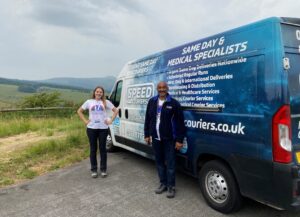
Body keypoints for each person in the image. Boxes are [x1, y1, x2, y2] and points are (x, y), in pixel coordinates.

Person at [144, 81, 185, 198]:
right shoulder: (152, 102)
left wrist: (179, 140)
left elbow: (180, 123)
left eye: (164, 87)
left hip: (169, 139)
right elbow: (148, 119)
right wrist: (147, 134)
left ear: (167, 89)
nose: (161, 89)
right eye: (159, 88)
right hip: (156, 138)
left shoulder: (174, 103)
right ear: (157, 89)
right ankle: (163, 183)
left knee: (171, 163)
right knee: (159, 162)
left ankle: (171, 186)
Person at [77, 86, 119, 178]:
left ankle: (103, 170)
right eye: (97, 91)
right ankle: (94, 170)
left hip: (103, 129)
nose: (99, 93)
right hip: (91, 128)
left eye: (101, 92)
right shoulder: (89, 102)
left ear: (103, 93)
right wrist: (85, 121)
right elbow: (79, 111)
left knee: (103, 149)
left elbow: (116, 110)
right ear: (94, 92)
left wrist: (111, 120)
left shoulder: (106, 102)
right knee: (93, 149)